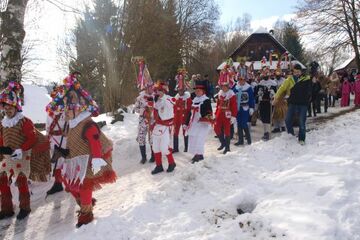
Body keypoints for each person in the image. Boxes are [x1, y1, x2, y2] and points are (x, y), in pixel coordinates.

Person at [51, 73, 117, 227]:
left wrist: (96, 160)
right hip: (80, 157)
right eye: (65, 108)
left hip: (96, 157)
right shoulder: (72, 125)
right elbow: (74, 145)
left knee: (85, 184)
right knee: (69, 183)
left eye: (69, 108)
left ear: (79, 108)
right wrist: (63, 152)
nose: (65, 112)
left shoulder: (88, 124)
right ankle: (86, 202)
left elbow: (95, 143)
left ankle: (86, 216)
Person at [0, 81, 51, 220]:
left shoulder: (25, 121)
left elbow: (32, 138)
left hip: (23, 155)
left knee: (22, 181)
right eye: (6, 107)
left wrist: (21, 150)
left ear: (16, 107)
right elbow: (1, 138)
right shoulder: (3, 123)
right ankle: (6, 209)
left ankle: (25, 208)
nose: (8, 110)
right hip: (8, 156)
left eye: (11, 107)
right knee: (2, 180)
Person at [273, 64, 312, 145]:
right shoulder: (289, 79)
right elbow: (282, 88)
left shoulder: (306, 79)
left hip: (303, 104)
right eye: (295, 72)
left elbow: (310, 89)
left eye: (298, 72)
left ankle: (301, 139)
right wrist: (276, 98)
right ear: (293, 72)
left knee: (301, 122)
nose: (297, 73)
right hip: (292, 103)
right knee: (287, 120)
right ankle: (291, 135)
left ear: (301, 71)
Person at [45, 85, 68, 195]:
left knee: (66, 161)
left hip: (64, 140)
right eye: (54, 98)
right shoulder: (49, 111)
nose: (55, 100)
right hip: (53, 139)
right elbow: (47, 126)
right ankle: (58, 183)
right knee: (57, 162)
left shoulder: (66, 112)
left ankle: (71, 183)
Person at [151, 82, 176, 175]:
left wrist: (164, 98)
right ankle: (159, 166)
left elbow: (174, 103)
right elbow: (154, 113)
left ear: (164, 90)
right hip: (157, 126)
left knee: (164, 148)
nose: (158, 92)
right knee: (155, 148)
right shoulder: (157, 101)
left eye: (160, 90)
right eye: (157, 91)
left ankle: (172, 163)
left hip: (166, 126)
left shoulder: (169, 98)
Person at [185, 81, 213, 163]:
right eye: (196, 90)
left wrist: (206, 117)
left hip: (202, 123)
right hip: (194, 123)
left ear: (203, 91)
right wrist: (186, 123)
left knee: (199, 139)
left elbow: (209, 111)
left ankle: (200, 155)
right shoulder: (194, 100)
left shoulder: (206, 100)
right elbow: (190, 113)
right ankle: (196, 154)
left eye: (199, 90)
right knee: (193, 138)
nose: (197, 92)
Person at [214, 64, 237, 154]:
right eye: (222, 86)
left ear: (228, 86)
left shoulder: (231, 94)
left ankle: (227, 147)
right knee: (216, 128)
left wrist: (233, 116)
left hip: (228, 114)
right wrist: (216, 114)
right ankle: (223, 143)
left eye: (225, 86)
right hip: (220, 113)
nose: (223, 87)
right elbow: (218, 105)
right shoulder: (220, 94)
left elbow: (234, 106)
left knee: (227, 131)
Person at [134, 83, 155, 164]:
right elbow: (136, 109)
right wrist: (143, 111)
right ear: (146, 88)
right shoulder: (139, 98)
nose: (151, 89)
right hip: (142, 121)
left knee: (152, 138)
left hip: (152, 121)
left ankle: (153, 156)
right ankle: (143, 157)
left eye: (151, 87)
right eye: (149, 87)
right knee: (141, 138)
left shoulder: (155, 96)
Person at [256, 68, 277, 141]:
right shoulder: (261, 83)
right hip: (262, 102)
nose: (265, 75)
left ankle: (268, 132)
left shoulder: (273, 83)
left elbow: (276, 92)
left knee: (268, 117)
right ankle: (265, 132)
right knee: (263, 117)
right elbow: (256, 93)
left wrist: (273, 94)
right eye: (264, 73)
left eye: (267, 73)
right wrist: (259, 95)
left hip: (269, 102)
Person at [173, 78, 192, 153]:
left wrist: (187, 119)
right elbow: (174, 107)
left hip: (185, 116)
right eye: (179, 90)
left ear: (184, 90)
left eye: (181, 90)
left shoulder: (187, 98)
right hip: (177, 116)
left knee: (185, 131)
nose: (180, 91)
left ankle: (186, 147)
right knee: (175, 131)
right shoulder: (176, 97)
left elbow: (190, 108)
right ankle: (175, 148)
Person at [234, 77, 255, 145]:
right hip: (237, 108)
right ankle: (241, 140)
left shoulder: (248, 88)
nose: (241, 81)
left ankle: (249, 139)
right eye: (240, 80)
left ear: (245, 80)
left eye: (243, 80)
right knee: (239, 123)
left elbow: (251, 98)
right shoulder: (235, 88)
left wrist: (251, 107)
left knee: (243, 123)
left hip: (245, 108)